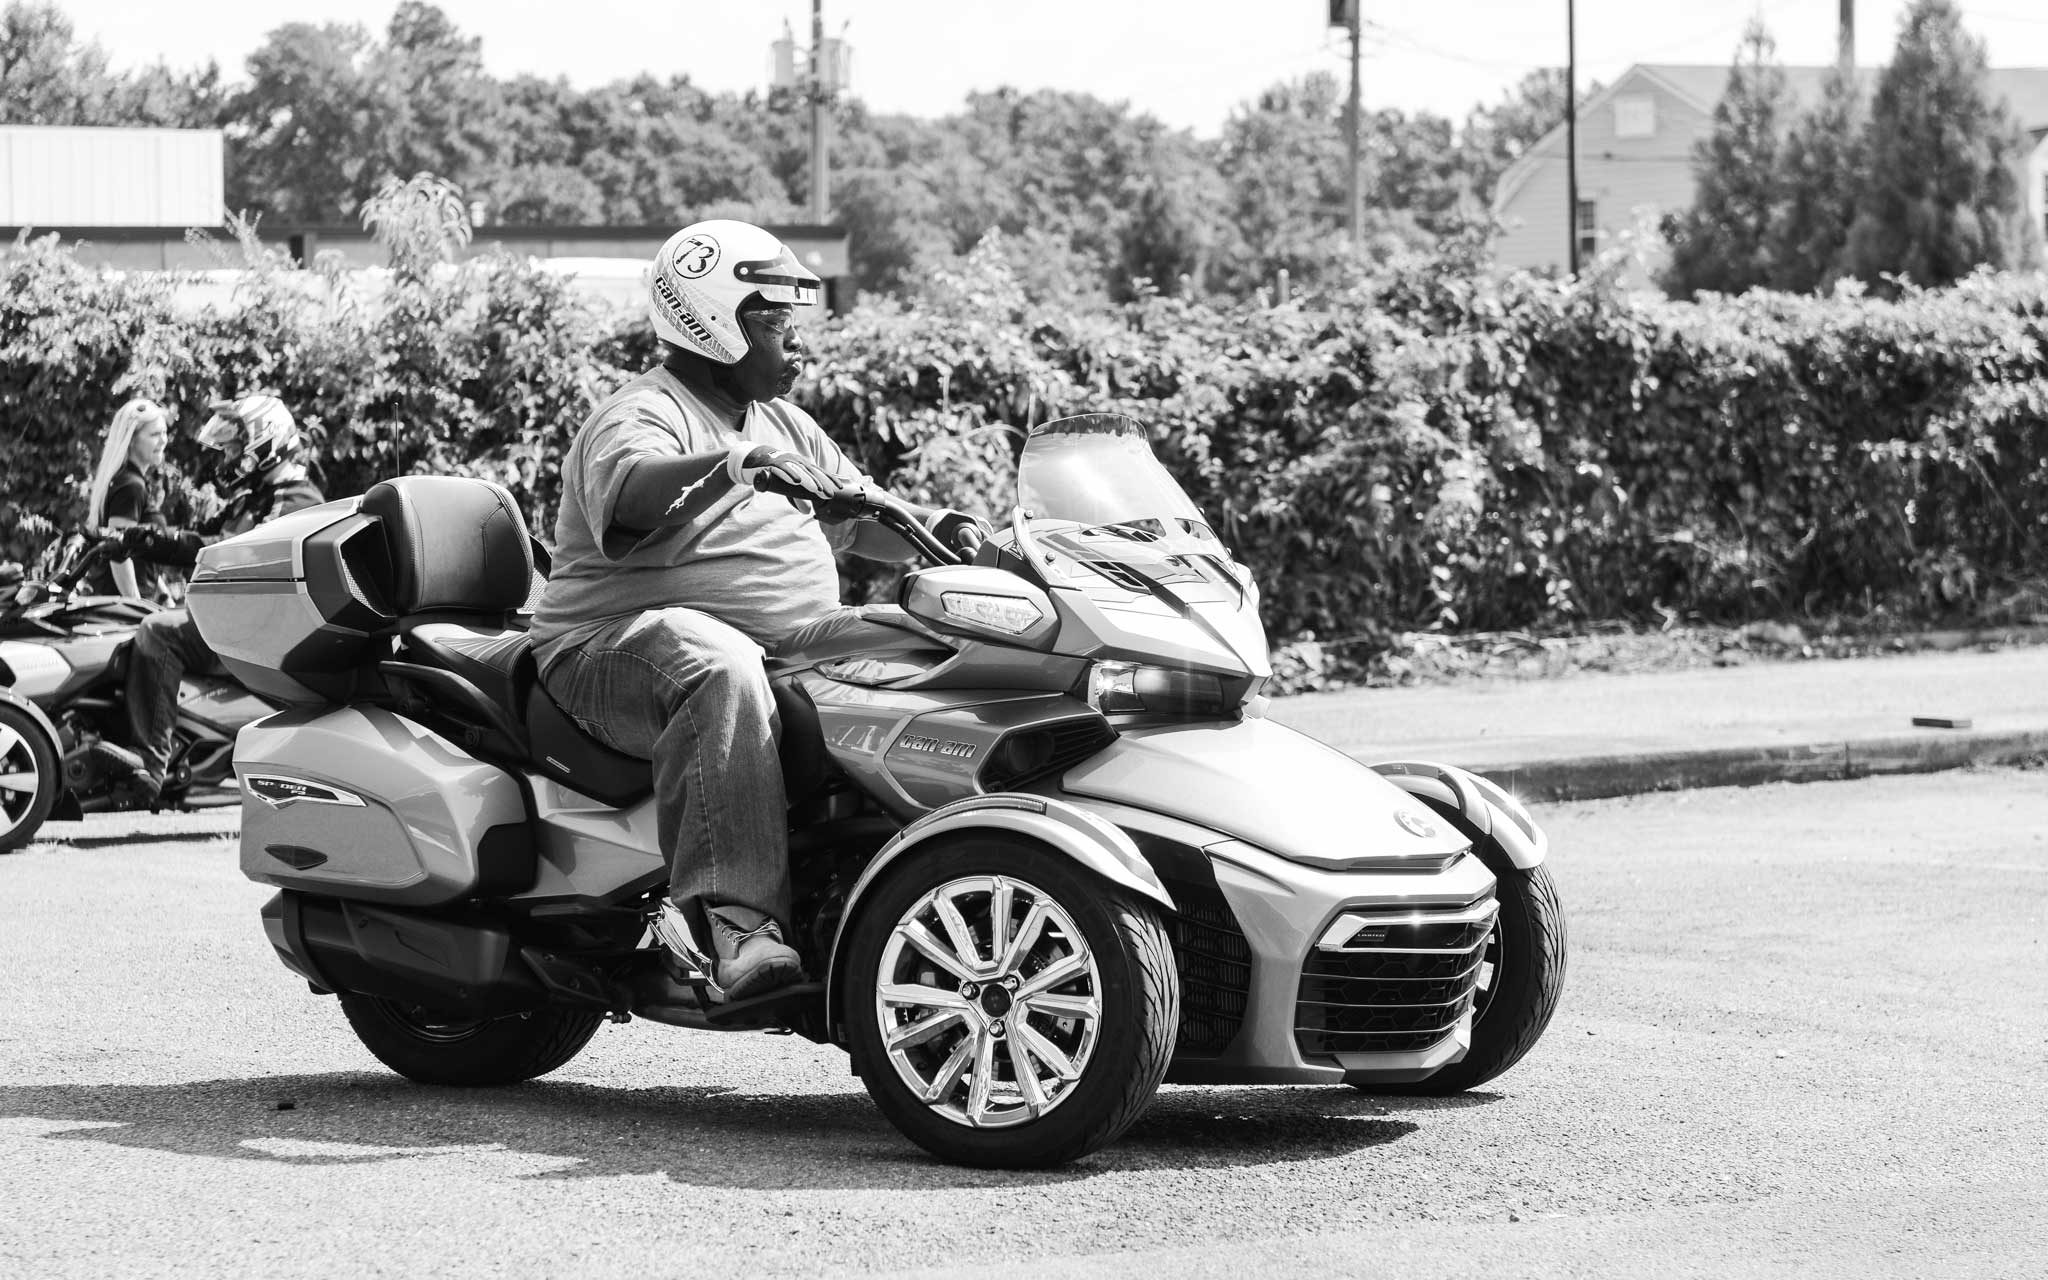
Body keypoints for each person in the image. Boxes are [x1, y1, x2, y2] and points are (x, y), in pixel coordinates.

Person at [530, 219, 987, 1003]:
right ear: (710, 321)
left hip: (786, 639)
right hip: (608, 649)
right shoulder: (641, 413)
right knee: (715, 662)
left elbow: (865, 515)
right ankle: (733, 922)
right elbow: (635, 499)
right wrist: (733, 467)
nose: (795, 345)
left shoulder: (784, 425)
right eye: (774, 325)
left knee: (943, 640)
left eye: (791, 325)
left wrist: (953, 534)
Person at [96, 395, 325, 802]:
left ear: (264, 446)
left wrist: (155, 541)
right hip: (239, 620)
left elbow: (227, 548)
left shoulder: (295, 500)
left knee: (158, 631)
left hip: (263, 634)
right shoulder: (254, 497)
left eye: (236, 450)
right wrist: (143, 541)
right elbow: (198, 538)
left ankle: (150, 765)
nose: (230, 458)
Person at [85, 398, 171, 599]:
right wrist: (138, 607)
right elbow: (119, 555)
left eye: (164, 432)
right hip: (122, 613)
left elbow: (137, 550)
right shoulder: (131, 487)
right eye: (155, 434)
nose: (163, 441)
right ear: (132, 439)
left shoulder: (128, 481)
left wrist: (163, 594)